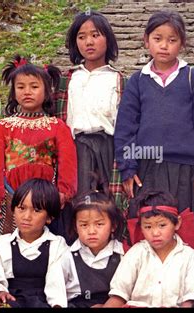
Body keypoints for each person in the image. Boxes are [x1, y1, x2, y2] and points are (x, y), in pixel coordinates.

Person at [114, 10, 194, 232]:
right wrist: (128, 169)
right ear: (146, 41)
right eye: (157, 39)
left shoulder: (192, 78)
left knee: (183, 229)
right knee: (148, 227)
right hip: (146, 169)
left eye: (172, 40)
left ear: (182, 44)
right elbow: (125, 128)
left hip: (184, 169)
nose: (164, 46)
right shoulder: (138, 81)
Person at [0, 54, 77, 236]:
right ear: (13, 92)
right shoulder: (3, 127)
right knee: (8, 245)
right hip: (11, 196)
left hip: (45, 197)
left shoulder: (57, 127)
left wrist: (63, 192)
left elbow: (68, 163)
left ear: (46, 92)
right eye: (20, 87)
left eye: (34, 87)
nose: (27, 92)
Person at [103, 190, 194, 307]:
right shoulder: (136, 253)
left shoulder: (189, 256)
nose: (155, 233)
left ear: (177, 223)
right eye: (148, 226)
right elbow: (119, 294)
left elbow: (189, 299)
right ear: (141, 227)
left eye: (162, 225)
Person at [0, 179, 69, 308]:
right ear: (13, 209)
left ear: (49, 217)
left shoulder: (57, 245)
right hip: (12, 300)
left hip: (43, 302)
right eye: (21, 208)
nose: (26, 216)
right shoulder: (3, 242)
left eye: (36, 210)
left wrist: (57, 305)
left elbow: (56, 283)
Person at [64, 10, 124, 197]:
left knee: (109, 202)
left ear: (108, 40)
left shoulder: (119, 80)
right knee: (79, 201)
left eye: (95, 35)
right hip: (76, 148)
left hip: (109, 147)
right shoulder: (68, 80)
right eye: (81, 37)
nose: (88, 42)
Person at [63, 190, 126, 307]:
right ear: (76, 227)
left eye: (99, 224)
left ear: (113, 225)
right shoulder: (67, 256)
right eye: (84, 225)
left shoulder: (124, 254)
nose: (91, 231)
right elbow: (56, 291)